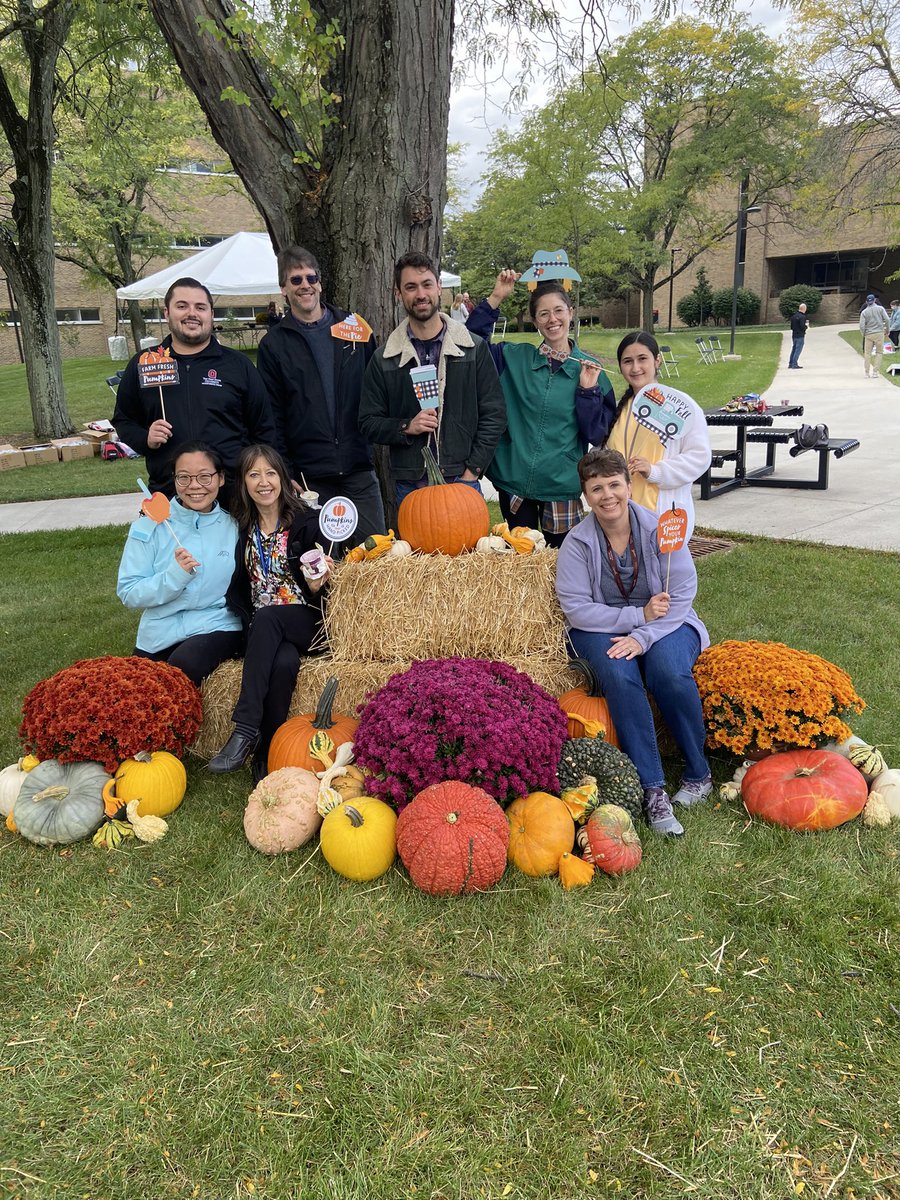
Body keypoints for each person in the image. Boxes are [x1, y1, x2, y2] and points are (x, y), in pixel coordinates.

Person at [556, 448, 712, 837]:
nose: (607, 495)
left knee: (668, 672)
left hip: (668, 622)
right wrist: (635, 619)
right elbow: (577, 609)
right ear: (585, 496)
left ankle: (698, 772)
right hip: (601, 628)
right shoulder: (577, 543)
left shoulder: (662, 528)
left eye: (614, 484)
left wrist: (644, 636)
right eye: (596, 489)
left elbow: (682, 591)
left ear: (629, 485)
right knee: (619, 674)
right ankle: (652, 788)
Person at [466, 268, 617, 547]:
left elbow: (597, 434)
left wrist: (588, 392)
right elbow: (470, 343)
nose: (553, 319)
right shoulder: (513, 358)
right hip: (514, 480)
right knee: (522, 558)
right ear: (535, 320)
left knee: (562, 561)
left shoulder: (592, 372)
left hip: (560, 485)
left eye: (558, 310)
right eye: (543, 314)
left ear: (571, 312)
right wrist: (496, 296)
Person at [208, 444, 332, 782]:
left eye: (270, 473)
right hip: (266, 632)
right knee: (283, 662)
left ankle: (245, 728)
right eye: (253, 474)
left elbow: (331, 570)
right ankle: (267, 754)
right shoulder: (242, 528)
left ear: (283, 478)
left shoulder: (306, 522)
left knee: (268, 618)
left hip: (306, 619)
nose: (263, 482)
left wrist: (321, 580)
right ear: (243, 482)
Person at [256, 246, 386, 541]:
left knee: (376, 556)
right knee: (318, 567)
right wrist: (284, 470)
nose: (305, 285)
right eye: (296, 280)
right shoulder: (274, 345)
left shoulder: (353, 328)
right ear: (283, 289)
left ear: (320, 282)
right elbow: (272, 414)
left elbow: (376, 390)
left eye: (310, 277)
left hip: (358, 469)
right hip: (308, 478)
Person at [359, 251, 506, 505]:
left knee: (469, 546)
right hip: (411, 485)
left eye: (427, 284)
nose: (420, 294)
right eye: (411, 287)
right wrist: (406, 426)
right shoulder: (385, 358)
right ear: (398, 293)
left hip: (462, 479)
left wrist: (472, 470)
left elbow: (495, 414)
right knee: (413, 546)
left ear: (439, 288)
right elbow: (368, 422)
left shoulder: (473, 349)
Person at [112, 277, 276, 502]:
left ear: (211, 314)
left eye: (200, 307)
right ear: (167, 313)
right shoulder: (145, 363)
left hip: (231, 494)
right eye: (182, 306)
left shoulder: (238, 365)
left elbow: (264, 429)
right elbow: (124, 420)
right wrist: (146, 438)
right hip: (170, 492)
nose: (192, 313)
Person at [116, 442, 243, 685]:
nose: (195, 486)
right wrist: (173, 577)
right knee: (134, 689)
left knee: (182, 668)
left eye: (205, 477)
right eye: (184, 477)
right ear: (174, 480)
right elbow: (128, 592)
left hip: (216, 626)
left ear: (221, 479)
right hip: (159, 632)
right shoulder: (148, 528)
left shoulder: (234, 528)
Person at [604, 332, 711, 539]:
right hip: (621, 519)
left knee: (664, 571)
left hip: (662, 515)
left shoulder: (680, 407)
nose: (635, 368)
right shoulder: (620, 409)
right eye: (628, 361)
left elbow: (699, 456)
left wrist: (655, 471)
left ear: (657, 360)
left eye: (642, 359)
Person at [860, 294, 890, 378]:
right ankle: (875, 372)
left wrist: (864, 333)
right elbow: (887, 319)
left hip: (869, 333)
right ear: (874, 300)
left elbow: (862, 325)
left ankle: (866, 372)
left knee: (867, 353)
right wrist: (887, 329)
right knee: (879, 352)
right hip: (879, 332)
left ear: (866, 302)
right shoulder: (880, 309)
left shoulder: (864, 312)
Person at [788, 302, 808, 368]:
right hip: (800, 335)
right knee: (798, 350)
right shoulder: (802, 317)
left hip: (794, 335)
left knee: (794, 349)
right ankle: (794, 364)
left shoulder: (794, 316)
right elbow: (802, 326)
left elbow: (791, 327)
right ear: (804, 309)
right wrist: (806, 327)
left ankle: (790, 363)